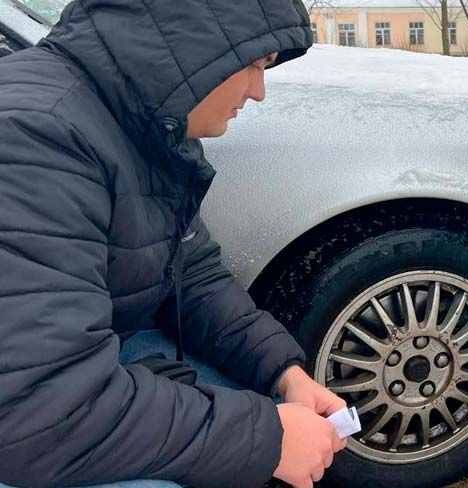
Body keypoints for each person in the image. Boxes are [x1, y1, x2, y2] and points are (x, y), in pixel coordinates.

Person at [0, 1, 348, 487]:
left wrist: (282, 372)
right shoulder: (36, 137)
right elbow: (42, 412)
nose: (259, 92)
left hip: (79, 366)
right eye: (254, 64)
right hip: (34, 418)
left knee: (254, 403)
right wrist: (267, 438)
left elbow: (190, 272)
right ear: (193, 49)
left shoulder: (141, 124)